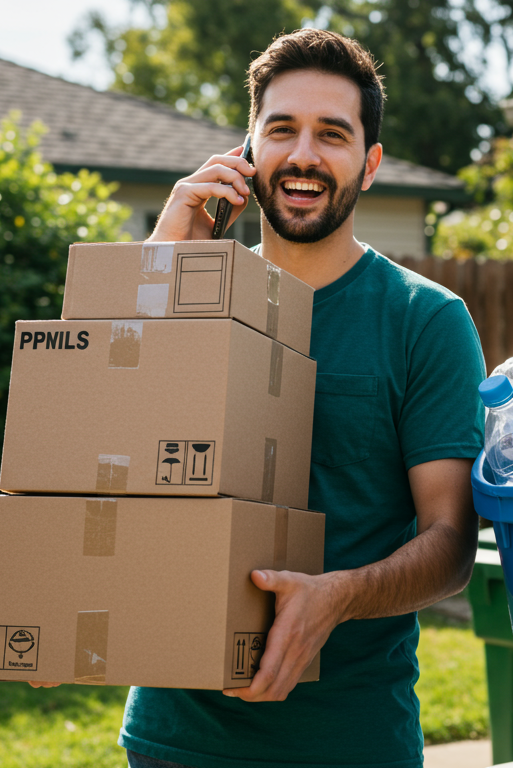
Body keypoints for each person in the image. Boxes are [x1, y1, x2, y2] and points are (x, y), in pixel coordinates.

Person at [32, 28, 487, 768]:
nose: (303, 154)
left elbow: (451, 544)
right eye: (282, 129)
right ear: (248, 150)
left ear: (368, 165)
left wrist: (337, 595)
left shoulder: (422, 320)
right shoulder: (190, 294)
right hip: (175, 740)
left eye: (332, 134)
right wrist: (162, 258)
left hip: (347, 741)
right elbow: (95, 464)